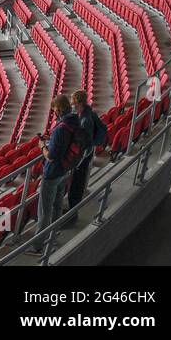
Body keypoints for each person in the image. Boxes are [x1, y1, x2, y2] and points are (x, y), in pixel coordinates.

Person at [30, 95, 90, 253]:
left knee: (44, 211)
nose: (54, 112)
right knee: (56, 207)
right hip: (65, 171)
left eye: (55, 110)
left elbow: (51, 156)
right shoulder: (74, 121)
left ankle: (37, 246)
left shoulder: (61, 128)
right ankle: (52, 238)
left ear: (60, 109)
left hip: (52, 174)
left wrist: (43, 145)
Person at [68, 89, 105, 212]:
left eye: (73, 103)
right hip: (84, 156)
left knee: (77, 185)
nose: (72, 105)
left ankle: (73, 212)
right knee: (77, 183)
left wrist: (79, 161)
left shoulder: (86, 120)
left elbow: (87, 144)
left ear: (79, 102)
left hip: (83, 157)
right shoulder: (86, 112)